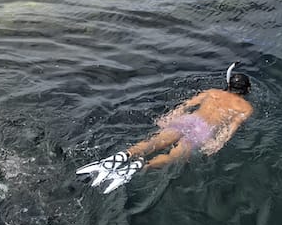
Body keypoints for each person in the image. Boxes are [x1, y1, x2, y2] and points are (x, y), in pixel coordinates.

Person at [76, 63, 253, 193]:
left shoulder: (212, 92)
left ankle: (125, 155)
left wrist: (169, 117)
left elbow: (185, 105)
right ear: (247, 90)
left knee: (155, 141)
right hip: (203, 130)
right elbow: (231, 127)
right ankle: (141, 165)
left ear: (229, 85)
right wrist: (218, 143)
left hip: (188, 120)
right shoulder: (245, 108)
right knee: (176, 155)